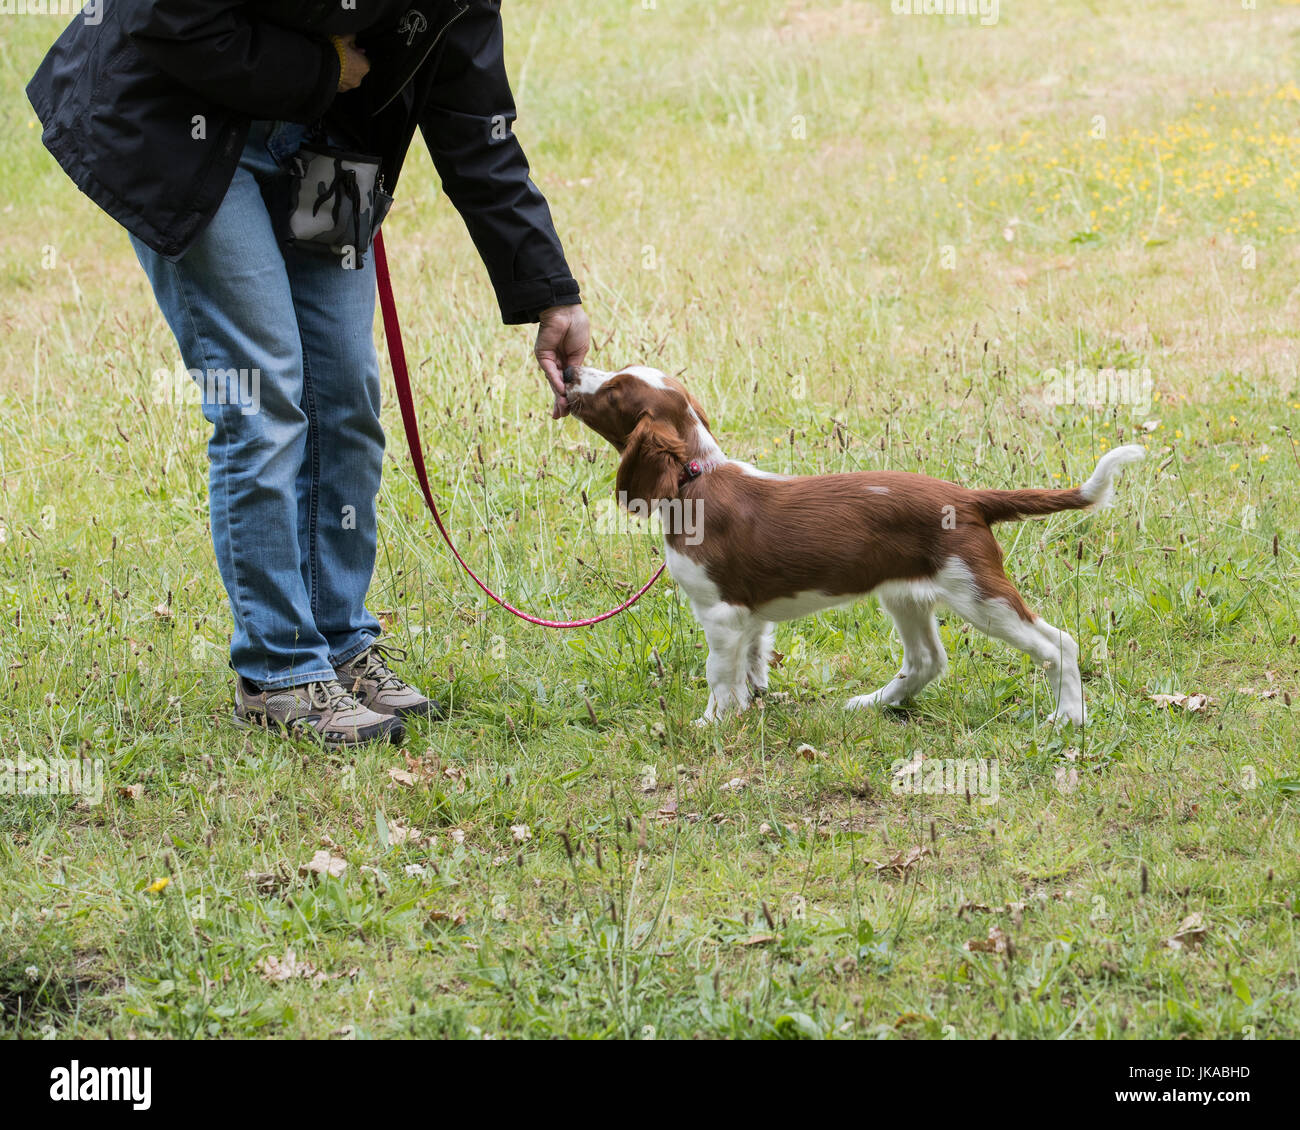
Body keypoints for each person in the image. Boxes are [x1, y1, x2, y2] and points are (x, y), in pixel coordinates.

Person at [27, 1, 590, 746]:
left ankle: (339, 640)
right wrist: (322, 69)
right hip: (186, 126)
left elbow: (477, 127)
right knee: (262, 398)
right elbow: (169, 15)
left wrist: (549, 292)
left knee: (345, 396)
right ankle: (279, 670)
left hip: (327, 149)